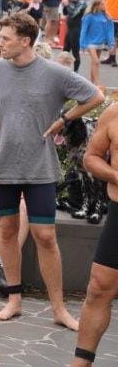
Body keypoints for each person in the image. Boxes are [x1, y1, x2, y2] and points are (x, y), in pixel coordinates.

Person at [0, 13, 104, 329]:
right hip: (3, 167)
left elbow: (95, 96)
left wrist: (64, 119)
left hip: (40, 168)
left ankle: (59, 309)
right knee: (8, 231)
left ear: (25, 41)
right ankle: (14, 300)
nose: (0, 44)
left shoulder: (54, 73)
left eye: (6, 38)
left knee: (46, 236)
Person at [71, 104, 118, 367]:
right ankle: (81, 362)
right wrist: (115, 175)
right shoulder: (114, 113)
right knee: (99, 287)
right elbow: (92, 158)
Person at [80, 0, 114, 86]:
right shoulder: (89, 16)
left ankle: (91, 84)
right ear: (97, 6)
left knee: (94, 63)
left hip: (100, 43)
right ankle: (97, 84)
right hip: (90, 43)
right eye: (102, 4)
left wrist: (111, 43)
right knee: (96, 62)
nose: (104, 6)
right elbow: (84, 30)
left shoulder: (106, 16)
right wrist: (82, 44)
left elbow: (110, 30)